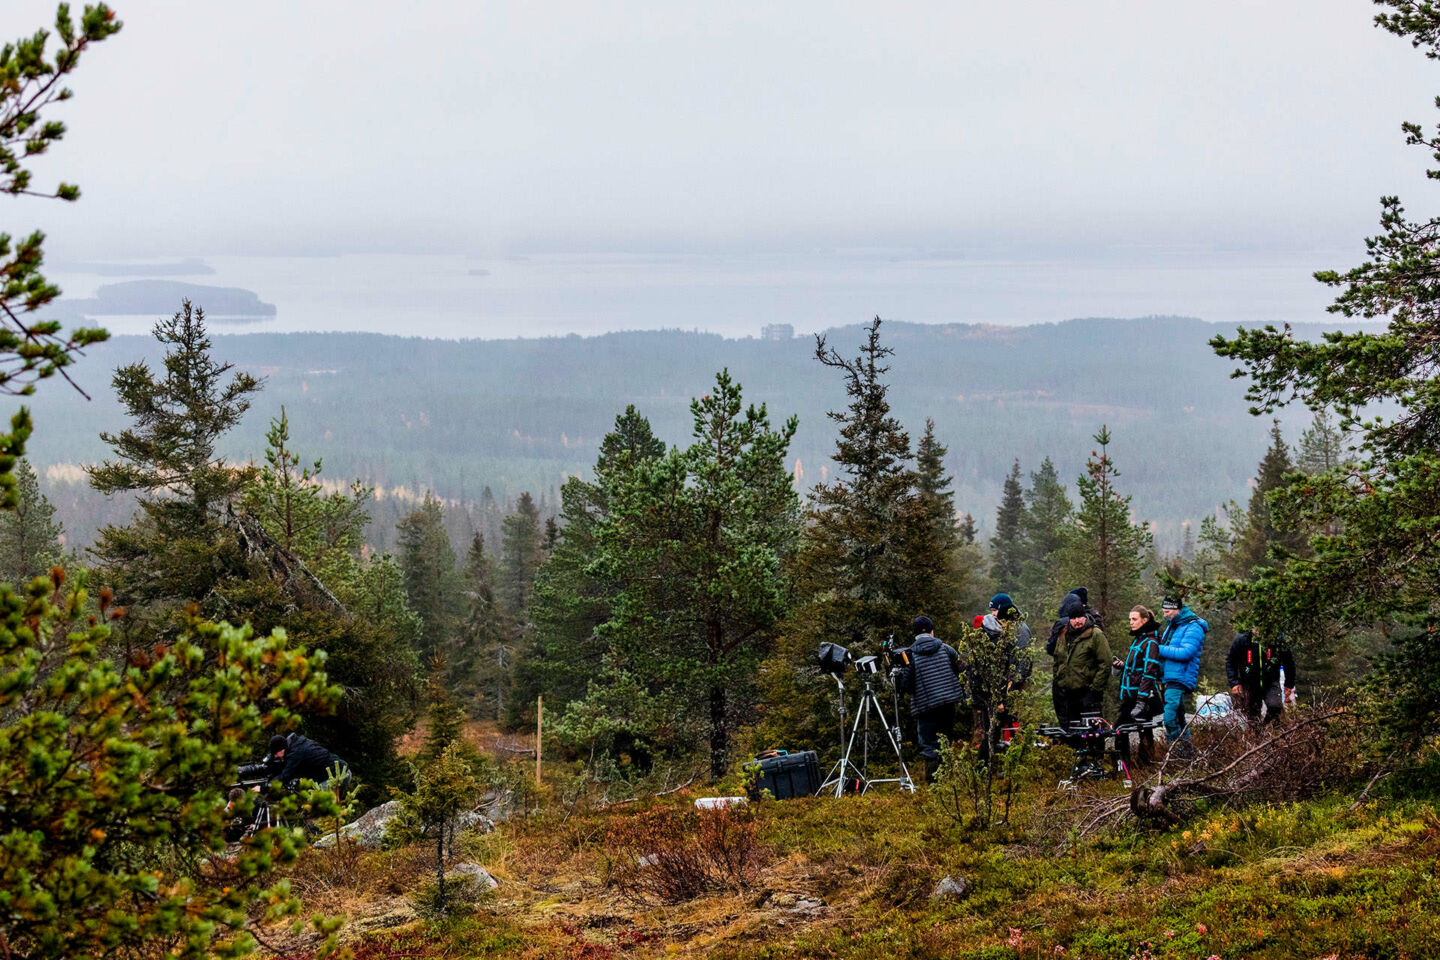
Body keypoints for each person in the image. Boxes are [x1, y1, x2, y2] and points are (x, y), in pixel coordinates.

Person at [1049, 590, 1112, 773]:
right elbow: (1058, 659)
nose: (1077, 621)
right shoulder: (1063, 634)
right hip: (1067, 693)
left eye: (1080, 617)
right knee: (1072, 730)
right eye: (1073, 618)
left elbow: (1105, 663)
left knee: (1093, 730)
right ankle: (1080, 764)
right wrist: (1058, 679)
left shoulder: (1095, 635)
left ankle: (1097, 763)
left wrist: (1095, 689)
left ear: (1085, 616)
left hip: (1087, 692)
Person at [895, 614, 964, 779]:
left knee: (928, 745)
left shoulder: (910, 656)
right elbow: (961, 668)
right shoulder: (946, 649)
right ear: (932, 631)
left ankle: (934, 783)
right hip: (948, 703)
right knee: (945, 740)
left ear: (915, 633)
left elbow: (906, 684)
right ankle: (948, 780)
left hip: (925, 707)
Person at [973, 592, 1033, 755]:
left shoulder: (1019, 630)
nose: (992, 614)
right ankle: (991, 766)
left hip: (1011, 688)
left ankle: (1009, 764)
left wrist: (1011, 689)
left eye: (994, 610)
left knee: (1010, 729)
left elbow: (1022, 662)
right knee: (993, 731)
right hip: (999, 688)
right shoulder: (1000, 628)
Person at [1157, 596, 1209, 759]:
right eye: (1163, 611)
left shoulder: (1194, 627)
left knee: (1169, 717)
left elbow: (1186, 653)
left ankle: (1175, 752)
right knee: (1178, 717)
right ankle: (1187, 753)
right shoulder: (1173, 625)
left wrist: (1157, 649)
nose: (1165, 615)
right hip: (1169, 677)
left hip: (1180, 677)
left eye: (1168, 611)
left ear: (1177, 610)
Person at [1115, 605, 1165, 767]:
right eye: (1130, 619)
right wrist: (1123, 666)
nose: (1131, 622)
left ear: (1145, 620)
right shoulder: (1139, 639)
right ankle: (1132, 766)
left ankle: (1138, 767)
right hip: (1133, 696)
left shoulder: (1150, 642)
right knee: (1129, 730)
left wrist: (1141, 700)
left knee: (1136, 729)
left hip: (1144, 698)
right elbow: (1137, 668)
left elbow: (1149, 672)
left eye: (1134, 619)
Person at [1225, 625, 1296, 726]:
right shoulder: (1242, 639)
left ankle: (1267, 729)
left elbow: (1289, 662)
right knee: (1252, 717)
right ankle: (1257, 737)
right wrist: (1234, 683)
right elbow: (1231, 661)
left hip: (1271, 682)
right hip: (1249, 683)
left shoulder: (1277, 639)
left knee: (1275, 707)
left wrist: (1289, 684)